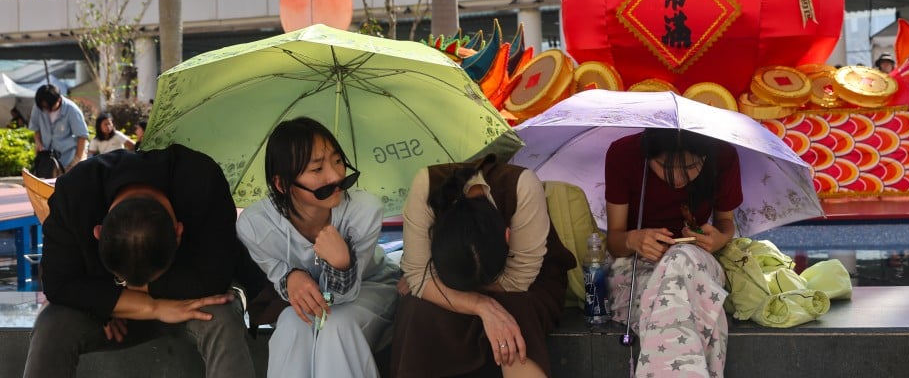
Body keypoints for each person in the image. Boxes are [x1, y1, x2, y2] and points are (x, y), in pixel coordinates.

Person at [24, 145, 267, 378]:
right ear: (98, 233)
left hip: (189, 304)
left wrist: (109, 296)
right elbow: (57, 284)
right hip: (118, 313)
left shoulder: (201, 180)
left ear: (179, 233)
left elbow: (214, 278)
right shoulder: (75, 192)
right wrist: (148, 306)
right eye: (122, 277)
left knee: (222, 317)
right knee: (52, 325)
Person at [236, 117, 399, 378]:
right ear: (282, 184)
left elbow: (343, 297)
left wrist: (340, 263)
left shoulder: (363, 211)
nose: (335, 175)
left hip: (371, 288)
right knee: (290, 324)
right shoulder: (256, 226)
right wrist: (290, 278)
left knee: (337, 324)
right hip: (311, 305)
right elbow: (278, 275)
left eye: (337, 161)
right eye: (317, 169)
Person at [390, 155, 575, 378]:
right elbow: (417, 274)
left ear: (508, 237)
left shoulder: (521, 185)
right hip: (448, 277)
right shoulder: (426, 184)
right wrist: (480, 306)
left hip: (527, 281)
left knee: (514, 312)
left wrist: (435, 288)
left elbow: (518, 279)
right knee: (416, 309)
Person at [604, 127, 742, 378]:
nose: (678, 178)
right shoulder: (623, 153)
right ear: (648, 154)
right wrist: (634, 239)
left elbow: (726, 224)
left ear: (705, 156)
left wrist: (718, 239)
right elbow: (614, 240)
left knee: (679, 259)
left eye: (690, 167)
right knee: (690, 308)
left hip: (697, 263)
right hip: (636, 267)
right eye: (664, 166)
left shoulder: (723, 156)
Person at [28, 83, 89, 173]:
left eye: (50, 108)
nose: (47, 111)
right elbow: (36, 129)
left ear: (59, 100)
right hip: (47, 158)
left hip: (68, 157)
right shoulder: (38, 108)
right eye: (44, 108)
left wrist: (76, 160)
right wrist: (38, 143)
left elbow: (82, 136)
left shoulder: (72, 110)